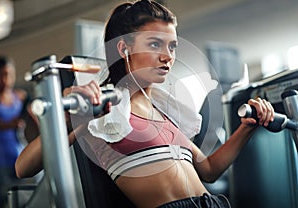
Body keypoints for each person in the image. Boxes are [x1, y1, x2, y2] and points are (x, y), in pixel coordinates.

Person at [15, 1, 275, 208]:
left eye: (172, 46)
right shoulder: (104, 109)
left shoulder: (166, 112)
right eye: (154, 44)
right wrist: (70, 116)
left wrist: (247, 128)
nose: (168, 56)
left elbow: (208, 171)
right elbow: (22, 167)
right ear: (123, 48)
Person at [0, 56, 28, 206]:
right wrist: (11, 123)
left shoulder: (20, 97)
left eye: (8, 74)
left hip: (19, 156)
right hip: (0, 163)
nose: (5, 80)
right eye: (1, 75)